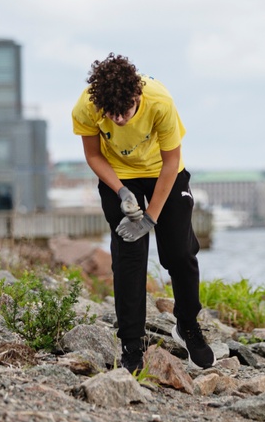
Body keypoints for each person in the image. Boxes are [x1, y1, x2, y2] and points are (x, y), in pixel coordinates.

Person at [72, 54, 214, 373]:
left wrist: (150, 218)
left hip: (162, 171)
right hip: (118, 175)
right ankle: (132, 343)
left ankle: (188, 324)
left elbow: (171, 163)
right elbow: (93, 155)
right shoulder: (87, 106)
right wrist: (121, 191)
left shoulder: (159, 102)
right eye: (112, 114)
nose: (119, 119)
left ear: (137, 96)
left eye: (125, 111)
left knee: (179, 253)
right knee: (129, 257)